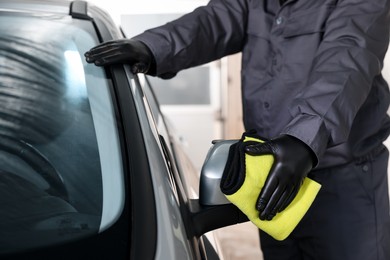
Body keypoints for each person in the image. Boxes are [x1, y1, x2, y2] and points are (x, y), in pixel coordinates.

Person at [84, 0, 390, 259]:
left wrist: (305, 138)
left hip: (342, 181)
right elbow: (215, 21)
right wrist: (152, 47)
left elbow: (350, 56)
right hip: (271, 172)